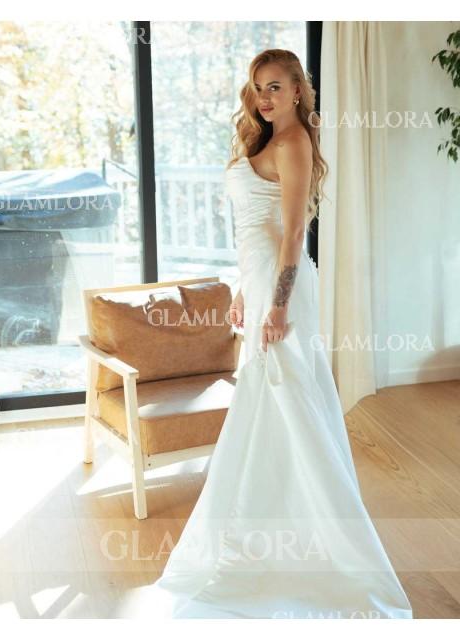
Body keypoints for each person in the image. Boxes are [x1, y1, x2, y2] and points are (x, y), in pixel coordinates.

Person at [142, 48, 413, 619]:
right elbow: (256, 229)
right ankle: (272, 520)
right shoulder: (264, 140)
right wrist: (247, 290)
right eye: (258, 87)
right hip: (263, 281)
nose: (264, 97)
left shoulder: (293, 143)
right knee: (273, 403)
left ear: (296, 91)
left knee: (292, 401)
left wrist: (279, 305)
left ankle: (330, 542)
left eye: (275, 86)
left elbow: (292, 234)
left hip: (283, 289)